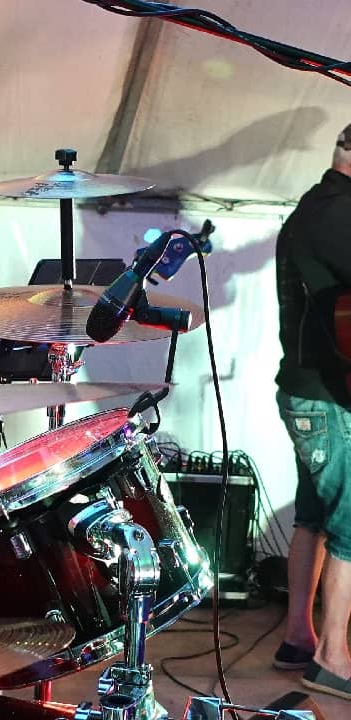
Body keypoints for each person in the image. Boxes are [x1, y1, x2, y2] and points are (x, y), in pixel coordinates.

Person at [274, 122, 351, 699]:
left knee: (313, 514)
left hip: (312, 391)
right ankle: (332, 658)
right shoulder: (336, 213)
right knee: (350, 524)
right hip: (328, 394)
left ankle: (299, 635)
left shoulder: (318, 205)